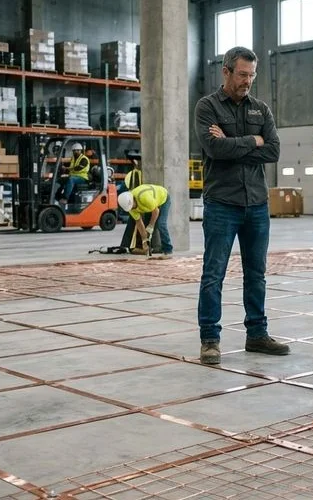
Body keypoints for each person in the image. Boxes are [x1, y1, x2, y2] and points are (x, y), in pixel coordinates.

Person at [194, 46, 289, 364]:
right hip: (222, 203)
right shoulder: (206, 107)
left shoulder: (261, 110)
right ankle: (210, 339)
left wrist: (234, 143)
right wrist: (253, 141)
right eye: (242, 75)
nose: (247, 81)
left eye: (252, 75)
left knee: (256, 274)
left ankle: (257, 335)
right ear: (226, 72)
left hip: (257, 205)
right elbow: (214, 149)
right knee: (213, 274)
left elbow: (273, 151)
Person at [118, 183, 172, 255]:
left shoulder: (144, 198)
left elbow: (156, 211)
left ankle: (168, 249)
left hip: (163, 198)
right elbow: (139, 222)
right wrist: (144, 241)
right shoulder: (130, 208)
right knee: (148, 227)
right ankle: (152, 248)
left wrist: (151, 226)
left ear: (133, 199)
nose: (133, 208)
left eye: (132, 206)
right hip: (150, 205)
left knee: (161, 224)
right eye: (131, 208)